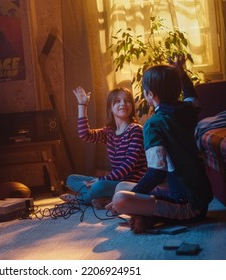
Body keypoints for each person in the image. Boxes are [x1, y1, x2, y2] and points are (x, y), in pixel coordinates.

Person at [105, 56, 213, 233]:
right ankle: (143, 215)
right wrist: (181, 73)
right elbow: (192, 97)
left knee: (120, 200)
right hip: (198, 199)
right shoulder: (187, 111)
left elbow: (156, 172)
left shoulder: (153, 124)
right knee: (122, 186)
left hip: (187, 206)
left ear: (150, 95)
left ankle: (144, 217)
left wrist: (132, 200)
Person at [59, 86, 147, 209]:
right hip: (113, 181)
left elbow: (128, 165)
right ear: (110, 107)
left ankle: (81, 200)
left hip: (130, 184)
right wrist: (82, 105)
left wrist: (101, 181)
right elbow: (85, 135)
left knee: (100, 185)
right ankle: (103, 198)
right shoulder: (109, 131)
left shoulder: (136, 130)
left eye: (127, 100)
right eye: (117, 101)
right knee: (71, 179)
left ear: (132, 106)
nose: (123, 104)